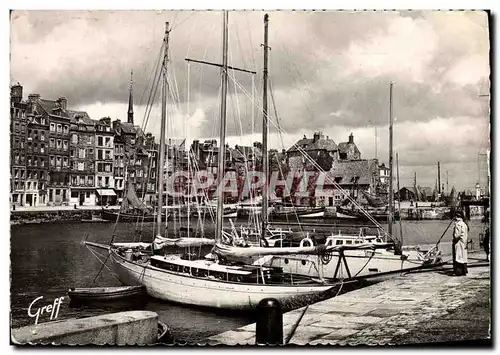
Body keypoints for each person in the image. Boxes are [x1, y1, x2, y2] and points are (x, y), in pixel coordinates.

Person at [452, 210, 468, 276]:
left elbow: (456, 235)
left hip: (459, 243)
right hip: (464, 242)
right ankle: (464, 271)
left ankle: (459, 271)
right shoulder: (464, 224)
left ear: (457, 217)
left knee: (458, 257)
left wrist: (454, 237)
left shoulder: (458, 224)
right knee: (463, 257)